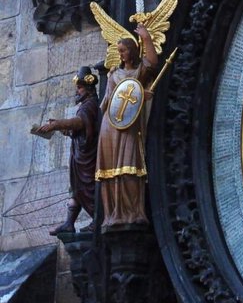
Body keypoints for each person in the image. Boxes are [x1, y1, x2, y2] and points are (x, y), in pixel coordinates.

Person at [95, 24, 158, 225]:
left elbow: (152, 63)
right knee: (110, 169)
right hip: (110, 125)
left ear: (132, 51)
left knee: (130, 164)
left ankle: (132, 212)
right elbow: (107, 102)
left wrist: (146, 38)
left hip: (129, 125)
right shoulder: (114, 74)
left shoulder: (139, 71)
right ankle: (112, 213)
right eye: (119, 51)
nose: (120, 54)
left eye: (123, 50)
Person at [31, 65, 100, 233]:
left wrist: (56, 124)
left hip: (88, 159)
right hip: (79, 157)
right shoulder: (85, 105)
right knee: (76, 190)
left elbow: (79, 122)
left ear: (88, 89)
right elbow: (79, 129)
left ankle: (98, 218)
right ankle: (69, 223)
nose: (77, 91)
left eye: (80, 87)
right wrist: (64, 129)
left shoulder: (90, 105)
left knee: (88, 189)